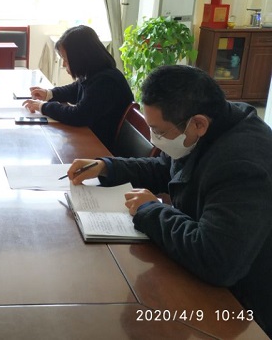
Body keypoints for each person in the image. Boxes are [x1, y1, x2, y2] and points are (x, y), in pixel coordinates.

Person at [67, 65, 272, 336]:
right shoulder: (210, 125)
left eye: (159, 131)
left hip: (244, 305)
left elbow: (217, 260)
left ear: (198, 124)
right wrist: (106, 167)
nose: (155, 140)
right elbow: (166, 169)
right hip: (204, 275)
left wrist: (151, 210)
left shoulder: (242, 165)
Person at [23, 25, 134, 150]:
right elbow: (75, 90)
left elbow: (78, 116)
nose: (63, 64)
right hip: (92, 137)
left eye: (66, 59)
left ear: (80, 57)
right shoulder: (94, 72)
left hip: (102, 147)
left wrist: (42, 107)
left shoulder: (106, 81)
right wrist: (49, 94)